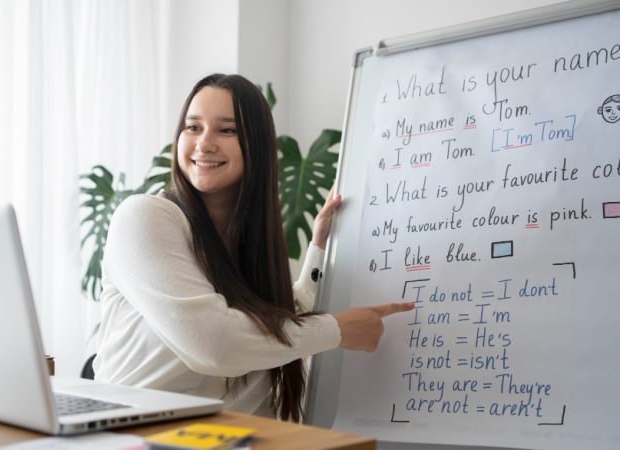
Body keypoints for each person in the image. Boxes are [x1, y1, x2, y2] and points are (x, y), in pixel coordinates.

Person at [93, 73, 413, 422]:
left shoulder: (250, 246)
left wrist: (320, 244)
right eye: (193, 127)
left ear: (256, 145)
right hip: (131, 436)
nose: (204, 143)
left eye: (226, 130)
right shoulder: (144, 217)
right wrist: (337, 329)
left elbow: (275, 326)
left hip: (218, 439)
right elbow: (215, 345)